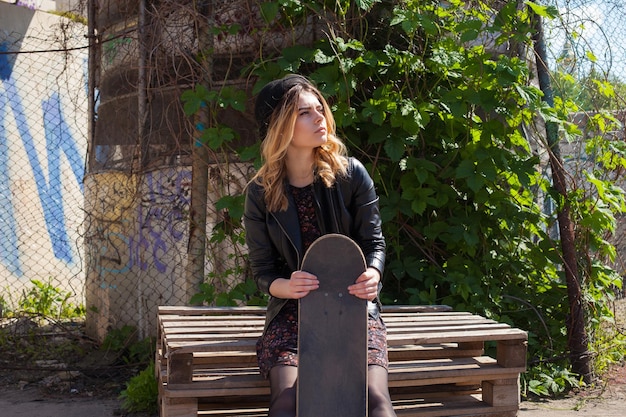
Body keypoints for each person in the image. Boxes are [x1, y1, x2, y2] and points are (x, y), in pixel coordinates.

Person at [243, 74, 397, 417]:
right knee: (288, 403)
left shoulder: (352, 175)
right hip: (291, 317)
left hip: (356, 312)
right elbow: (263, 274)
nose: (319, 118)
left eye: (320, 109)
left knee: (375, 401)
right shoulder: (259, 194)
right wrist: (288, 286)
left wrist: (373, 272)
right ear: (279, 126)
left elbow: (374, 242)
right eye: (304, 113)